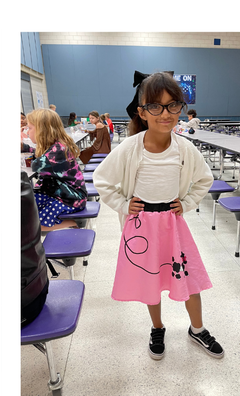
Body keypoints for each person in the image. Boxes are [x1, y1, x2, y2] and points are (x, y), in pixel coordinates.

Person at [93, 71, 222, 360]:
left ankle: (197, 329)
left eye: (172, 105)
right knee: (150, 281)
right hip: (141, 226)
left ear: (180, 108)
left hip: (172, 224)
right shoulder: (130, 148)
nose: (165, 113)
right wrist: (124, 205)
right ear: (143, 112)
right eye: (156, 107)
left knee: (188, 279)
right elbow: (101, 179)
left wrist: (186, 203)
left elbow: (204, 179)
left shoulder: (184, 148)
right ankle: (157, 327)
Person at [26, 108, 87, 232]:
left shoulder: (57, 150)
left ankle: (75, 222)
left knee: (36, 225)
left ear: (41, 130)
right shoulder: (57, 146)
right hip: (62, 192)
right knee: (27, 205)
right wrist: (27, 148)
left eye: (30, 128)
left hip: (72, 198)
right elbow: (43, 158)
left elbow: (36, 165)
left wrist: (28, 149)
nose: (27, 132)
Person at [21, 170, 48, 326]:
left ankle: (74, 224)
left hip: (25, 304)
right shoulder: (22, 181)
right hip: (38, 285)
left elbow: (38, 164)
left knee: (43, 211)